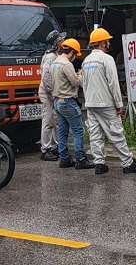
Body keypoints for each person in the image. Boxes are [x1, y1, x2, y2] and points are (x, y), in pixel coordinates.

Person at [81, 28, 136, 175]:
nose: (109, 43)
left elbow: (84, 83)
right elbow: (113, 84)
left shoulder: (86, 61)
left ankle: (99, 163)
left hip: (91, 103)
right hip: (106, 103)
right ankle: (128, 163)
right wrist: (119, 104)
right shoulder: (107, 59)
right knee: (116, 133)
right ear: (103, 43)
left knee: (95, 134)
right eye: (107, 41)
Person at [51, 38, 94, 170]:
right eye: (75, 54)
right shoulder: (66, 64)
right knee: (78, 130)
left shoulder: (55, 63)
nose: (75, 57)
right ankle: (80, 158)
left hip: (58, 101)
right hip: (68, 101)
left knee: (63, 131)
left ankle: (64, 158)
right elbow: (75, 82)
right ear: (71, 52)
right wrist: (80, 75)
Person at [38, 30, 66, 162]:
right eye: (60, 40)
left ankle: (54, 146)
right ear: (56, 43)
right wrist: (52, 92)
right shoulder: (50, 57)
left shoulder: (54, 55)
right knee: (48, 120)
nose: (63, 42)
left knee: (54, 121)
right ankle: (46, 149)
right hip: (48, 93)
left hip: (52, 93)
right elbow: (46, 77)